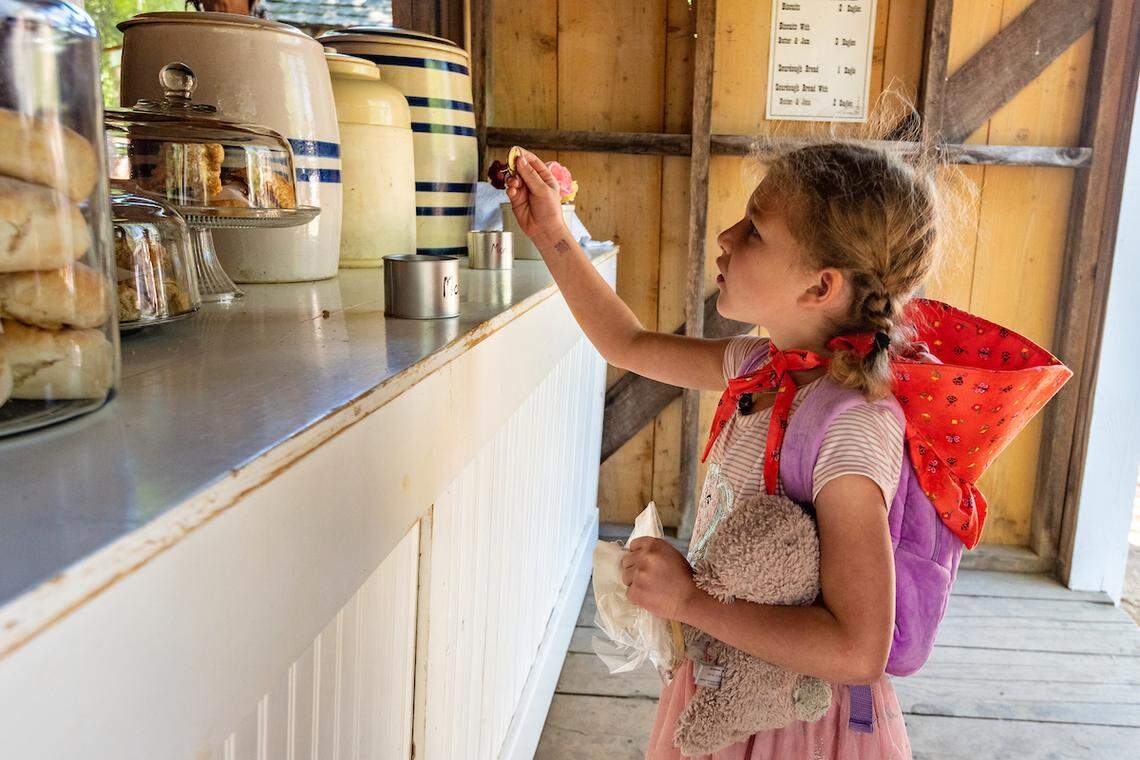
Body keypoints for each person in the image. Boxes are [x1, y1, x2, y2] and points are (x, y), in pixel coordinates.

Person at [505, 138, 950, 759]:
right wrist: (552, 230)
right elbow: (625, 343)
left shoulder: (849, 428)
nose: (727, 236)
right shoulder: (758, 367)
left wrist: (690, 600)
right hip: (723, 685)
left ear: (820, 286)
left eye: (756, 231)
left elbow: (856, 649)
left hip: (795, 726)